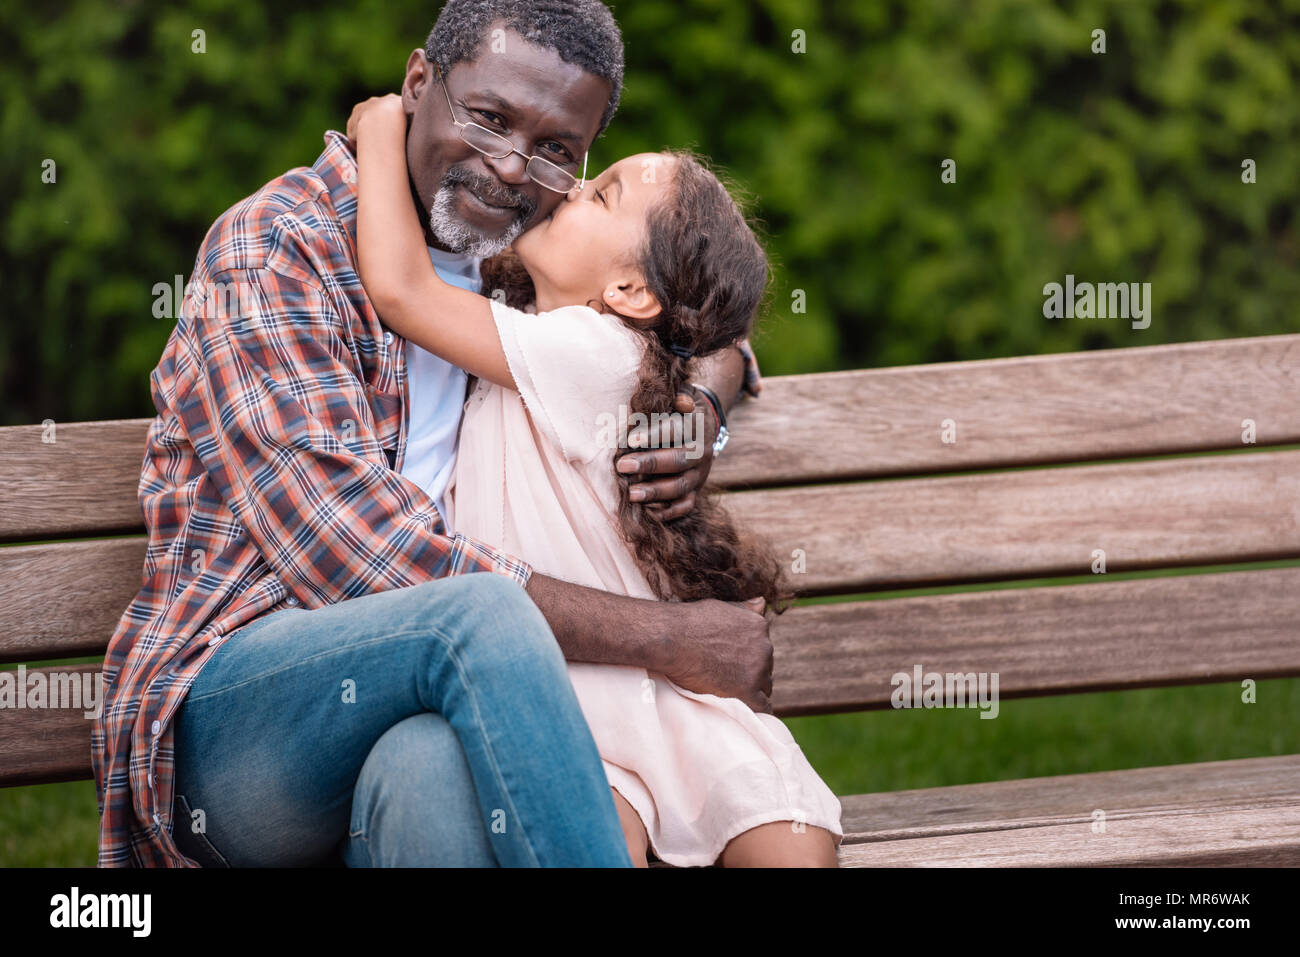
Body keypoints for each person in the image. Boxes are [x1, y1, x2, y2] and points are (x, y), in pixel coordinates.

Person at [92, 0, 771, 868]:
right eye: (488, 119)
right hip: (238, 716)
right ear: (420, 85)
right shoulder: (277, 248)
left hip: (417, 714)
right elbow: (348, 554)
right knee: (474, 615)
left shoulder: (521, 268)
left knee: (428, 772)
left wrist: (705, 400)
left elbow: (693, 308)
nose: (511, 168)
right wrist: (670, 639)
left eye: (557, 150)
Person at [349, 93, 843, 867]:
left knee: (778, 834)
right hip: (574, 702)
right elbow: (718, 331)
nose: (571, 186)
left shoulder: (591, 351)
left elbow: (402, 292)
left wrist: (378, 135)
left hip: (628, 689)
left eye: (601, 193)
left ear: (632, 295)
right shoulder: (531, 326)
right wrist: (718, 374)